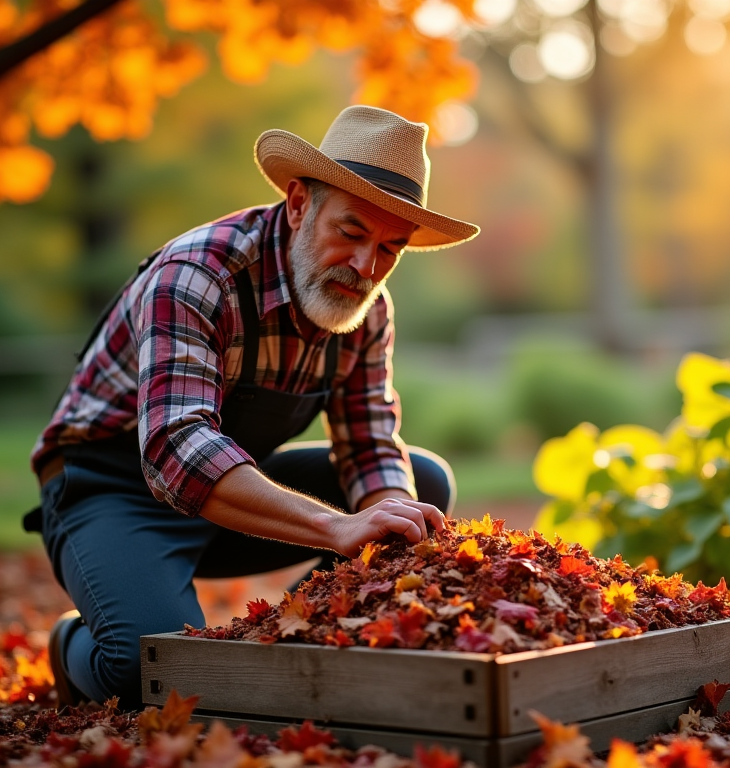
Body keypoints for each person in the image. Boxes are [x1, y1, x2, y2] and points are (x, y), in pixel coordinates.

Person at [27, 105, 480, 709]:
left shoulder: (367, 308)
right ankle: (72, 645)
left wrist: (387, 522)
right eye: (350, 232)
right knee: (156, 670)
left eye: (390, 248)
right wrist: (337, 527)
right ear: (299, 204)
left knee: (419, 486)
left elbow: (369, 442)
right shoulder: (197, 273)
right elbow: (175, 447)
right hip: (110, 488)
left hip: (228, 501)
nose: (367, 267)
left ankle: (305, 644)